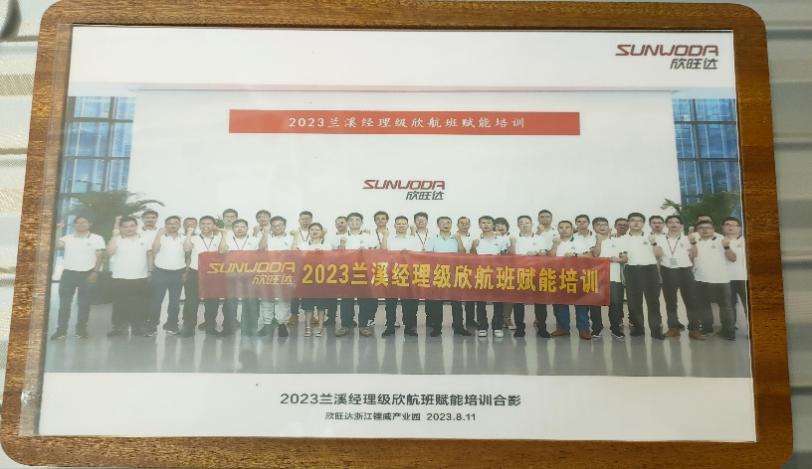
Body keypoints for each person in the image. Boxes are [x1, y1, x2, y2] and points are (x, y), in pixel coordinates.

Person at [51, 216, 105, 340]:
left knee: (84, 303)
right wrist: (58, 229)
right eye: (78, 223)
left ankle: (81, 330)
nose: (81, 224)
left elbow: (100, 256)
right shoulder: (67, 238)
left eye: (84, 222)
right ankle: (61, 331)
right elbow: (56, 246)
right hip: (68, 274)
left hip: (88, 274)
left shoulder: (97, 238)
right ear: (74, 225)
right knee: (64, 304)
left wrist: (95, 272)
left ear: (89, 224)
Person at [618, 212, 665, 339]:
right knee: (634, 302)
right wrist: (623, 266)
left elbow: (659, 254)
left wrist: (653, 243)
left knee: (653, 301)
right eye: (633, 220)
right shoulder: (623, 239)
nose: (636, 223)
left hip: (650, 269)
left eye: (639, 220)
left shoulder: (652, 237)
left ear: (643, 223)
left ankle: (656, 329)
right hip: (631, 270)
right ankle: (638, 328)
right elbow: (622, 257)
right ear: (628, 223)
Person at [690, 220, 737, 340]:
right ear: (697, 230)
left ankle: (729, 331)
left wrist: (726, 247)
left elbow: (733, 258)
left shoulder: (721, 239)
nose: (705, 230)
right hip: (700, 279)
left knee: (725, 306)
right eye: (701, 227)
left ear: (713, 229)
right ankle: (707, 329)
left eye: (708, 227)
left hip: (721, 279)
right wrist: (693, 244)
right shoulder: (695, 241)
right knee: (703, 305)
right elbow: (692, 258)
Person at [658, 215, 702, 339]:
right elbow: (657, 256)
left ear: (681, 225)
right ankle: (673, 328)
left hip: (685, 270)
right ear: (666, 225)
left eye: (677, 222)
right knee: (670, 301)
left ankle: (694, 329)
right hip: (668, 270)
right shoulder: (660, 239)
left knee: (691, 301)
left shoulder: (688, 238)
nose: (674, 224)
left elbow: (694, 255)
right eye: (670, 222)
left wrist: (693, 242)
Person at [424, 216, 470, 337]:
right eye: (443, 223)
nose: (446, 224)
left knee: (456, 302)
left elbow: (463, 253)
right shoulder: (432, 238)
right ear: (438, 225)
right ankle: (437, 327)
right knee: (437, 302)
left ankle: (459, 326)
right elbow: (428, 255)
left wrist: (459, 240)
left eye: (448, 222)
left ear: (451, 225)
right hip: (438, 273)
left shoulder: (456, 238)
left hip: (454, 273)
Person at [335, 212, 379, 337]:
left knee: (364, 300)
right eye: (351, 220)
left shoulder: (369, 237)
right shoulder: (341, 237)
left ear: (361, 222)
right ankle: (345, 325)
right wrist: (342, 245)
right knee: (346, 300)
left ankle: (363, 325)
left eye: (357, 220)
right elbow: (337, 256)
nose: (354, 222)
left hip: (364, 272)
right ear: (347, 223)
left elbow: (376, 253)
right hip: (347, 272)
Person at [106, 216, 151, 337]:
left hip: (140, 277)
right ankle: (119, 327)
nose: (129, 229)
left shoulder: (145, 239)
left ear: (136, 226)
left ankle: (138, 328)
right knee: (119, 304)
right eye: (125, 227)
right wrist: (114, 235)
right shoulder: (117, 239)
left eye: (132, 226)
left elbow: (149, 255)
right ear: (121, 228)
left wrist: (150, 271)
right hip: (120, 277)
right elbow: (110, 252)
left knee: (140, 304)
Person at [218, 218, 261, 336]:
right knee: (230, 303)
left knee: (251, 302)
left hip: (250, 275)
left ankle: (250, 328)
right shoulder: (227, 239)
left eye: (242, 227)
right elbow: (221, 251)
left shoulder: (255, 240)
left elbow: (261, 256)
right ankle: (228, 328)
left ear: (247, 228)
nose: (240, 229)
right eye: (237, 227)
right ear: (233, 229)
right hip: (232, 275)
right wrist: (224, 235)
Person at [381, 216, 422, 337]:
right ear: (394, 226)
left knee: (409, 302)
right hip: (392, 272)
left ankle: (410, 327)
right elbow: (383, 252)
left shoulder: (413, 239)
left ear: (407, 226)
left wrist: (408, 253)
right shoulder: (390, 239)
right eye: (398, 223)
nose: (401, 225)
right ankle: (390, 326)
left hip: (409, 273)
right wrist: (385, 236)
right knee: (390, 302)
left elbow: (419, 255)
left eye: (404, 223)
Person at [550, 220, 591, 340]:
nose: (564, 229)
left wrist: (575, 255)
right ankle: (563, 328)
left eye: (567, 227)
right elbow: (549, 257)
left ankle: (584, 329)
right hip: (558, 275)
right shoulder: (555, 241)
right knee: (560, 304)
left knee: (581, 304)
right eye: (561, 227)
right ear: (558, 229)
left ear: (572, 229)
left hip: (577, 275)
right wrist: (555, 245)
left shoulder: (580, 241)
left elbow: (589, 256)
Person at [181, 215, 222, 337]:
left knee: (212, 301)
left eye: (209, 224)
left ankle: (210, 326)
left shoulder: (218, 239)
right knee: (191, 301)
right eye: (203, 224)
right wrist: (189, 232)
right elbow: (186, 249)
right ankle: (189, 326)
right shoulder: (193, 238)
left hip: (213, 274)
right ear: (199, 225)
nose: (205, 226)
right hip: (195, 273)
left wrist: (223, 234)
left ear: (214, 225)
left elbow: (224, 252)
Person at [511, 215, 551, 338]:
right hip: (520, 273)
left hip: (537, 273)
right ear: (518, 225)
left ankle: (542, 327)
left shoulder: (540, 238)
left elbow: (546, 254)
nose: (524, 225)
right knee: (518, 302)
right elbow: (510, 256)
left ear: (532, 224)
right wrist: (513, 245)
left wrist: (539, 253)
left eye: (527, 222)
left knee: (540, 302)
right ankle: (520, 328)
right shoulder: (514, 238)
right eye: (521, 223)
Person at [471, 215, 510, 338]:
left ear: (493, 225)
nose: (486, 225)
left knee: (498, 301)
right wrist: (473, 246)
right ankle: (482, 326)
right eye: (483, 223)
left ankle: (497, 326)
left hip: (497, 273)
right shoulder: (476, 239)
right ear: (479, 225)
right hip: (481, 274)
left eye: (488, 222)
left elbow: (506, 256)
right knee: (481, 301)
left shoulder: (501, 239)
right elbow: (470, 257)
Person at [257, 216, 295, 338]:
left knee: (283, 300)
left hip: (285, 273)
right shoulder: (266, 237)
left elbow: (295, 255)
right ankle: (267, 324)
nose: (277, 228)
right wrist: (265, 233)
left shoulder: (291, 238)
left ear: (284, 226)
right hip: (267, 272)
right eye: (274, 226)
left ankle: (282, 324)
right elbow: (261, 248)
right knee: (266, 299)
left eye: (279, 225)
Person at [149, 216, 187, 335]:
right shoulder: (160, 237)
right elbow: (154, 251)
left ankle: (172, 324)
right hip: (160, 273)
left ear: (179, 225)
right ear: (165, 225)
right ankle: (152, 325)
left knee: (174, 302)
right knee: (156, 301)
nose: (172, 225)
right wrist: (159, 234)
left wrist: (185, 272)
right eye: (169, 223)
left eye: (175, 223)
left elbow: (188, 254)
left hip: (178, 273)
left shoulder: (184, 238)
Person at [298, 223, 335, 338]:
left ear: (322, 232)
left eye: (317, 229)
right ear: (309, 231)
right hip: (307, 279)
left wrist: (322, 255)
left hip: (322, 279)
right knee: (308, 306)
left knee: (321, 306)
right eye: (312, 229)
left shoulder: (327, 245)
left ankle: (320, 327)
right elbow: (298, 260)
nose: (314, 231)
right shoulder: (303, 245)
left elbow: (331, 262)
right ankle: (308, 327)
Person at [595, 217, 626, 339]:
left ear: (609, 228)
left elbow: (624, 258)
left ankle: (615, 328)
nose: (602, 227)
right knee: (595, 303)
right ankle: (596, 328)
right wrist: (598, 241)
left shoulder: (617, 241)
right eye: (599, 225)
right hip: (596, 277)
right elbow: (595, 255)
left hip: (614, 276)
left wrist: (617, 259)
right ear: (595, 227)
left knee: (615, 303)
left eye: (604, 224)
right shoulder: (592, 241)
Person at [574, 214, 601, 338]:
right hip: (577, 272)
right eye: (579, 221)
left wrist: (581, 255)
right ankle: (583, 329)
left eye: (584, 221)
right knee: (581, 302)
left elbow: (595, 254)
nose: (581, 223)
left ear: (588, 223)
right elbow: (571, 254)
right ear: (576, 223)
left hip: (594, 272)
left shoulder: (595, 236)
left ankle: (597, 328)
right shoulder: (572, 237)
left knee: (593, 301)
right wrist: (585, 254)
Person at [288, 210, 314, 327]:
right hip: (296, 265)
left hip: (311, 265)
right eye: (303, 219)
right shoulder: (293, 233)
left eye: (308, 219)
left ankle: (310, 314)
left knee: (309, 291)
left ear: (311, 220)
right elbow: (291, 249)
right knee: (294, 291)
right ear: (299, 220)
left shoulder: (315, 231)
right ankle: (294, 314)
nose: (305, 221)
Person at [534, 209, 558, 333]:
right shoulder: (535, 232)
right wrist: (538, 233)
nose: (544, 219)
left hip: (556, 266)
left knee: (557, 295)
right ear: (538, 219)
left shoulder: (557, 231)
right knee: (540, 296)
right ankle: (540, 321)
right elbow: (532, 245)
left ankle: (560, 323)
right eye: (542, 217)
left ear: (551, 218)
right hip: (540, 267)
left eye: (547, 216)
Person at [325, 215, 350, 326]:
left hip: (349, 269)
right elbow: (327, 252)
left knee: (347, 295)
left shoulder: (352, 236)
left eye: (342, 222)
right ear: (335, 225)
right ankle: (331, 318)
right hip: (333, 269)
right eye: (338, 223)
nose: (340, 224)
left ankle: (349, 318)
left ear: (347, 223)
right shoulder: (330, 237)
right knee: (331, 295)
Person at [723, 216, 748, 325]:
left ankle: (751, 327)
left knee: (748, 304)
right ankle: (731, 328)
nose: (730, 227)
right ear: (723, 227)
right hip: (726, 279)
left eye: (733, 225)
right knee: (729, 305)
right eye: (727, 225)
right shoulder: (718, 241)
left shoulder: (746, 240)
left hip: (744, 278)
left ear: (739, 228)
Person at [455, 216, 478, 329]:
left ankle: (470, 320)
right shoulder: (453, 237)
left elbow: (475, 253)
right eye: (462, 223)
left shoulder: (474, 237)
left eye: (466, 223)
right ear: (457, 225)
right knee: (457, 298)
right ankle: (457, 322)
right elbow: (462, 252)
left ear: (469, 225)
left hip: (471, 269)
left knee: (471, 297)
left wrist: (473, 246)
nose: (464, 225)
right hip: (456, 269)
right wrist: (459, 240)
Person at [494, 217, 515, 330]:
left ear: (507, 227)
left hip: (509, 270)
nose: (500, 227)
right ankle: (497, 320)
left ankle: (507, 318)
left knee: (508, 296)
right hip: (492, 271)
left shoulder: (512, 238)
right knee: (497, 296)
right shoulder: (490, 238)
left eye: (503, 225)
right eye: (497, 225)